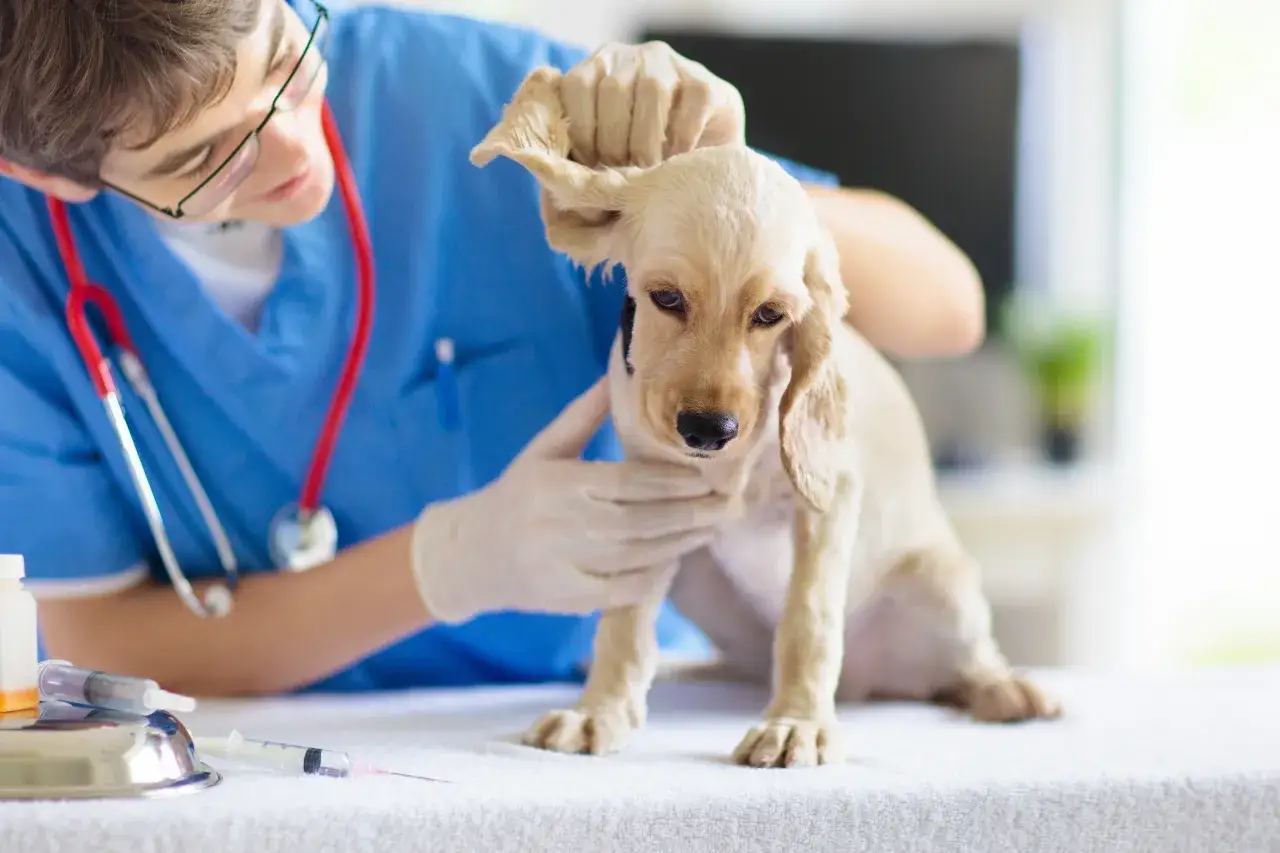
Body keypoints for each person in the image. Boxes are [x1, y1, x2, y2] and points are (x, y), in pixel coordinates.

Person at [0, 0, 985, 698]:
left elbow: (945, 307)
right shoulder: (21, 264)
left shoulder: (462, 93)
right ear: (41, 174)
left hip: (608, 727)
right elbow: (100, 638)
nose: (296, 151)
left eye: (283, 65)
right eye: (205, 159)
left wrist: (721, 181)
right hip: (256, 767)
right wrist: (447, 565)